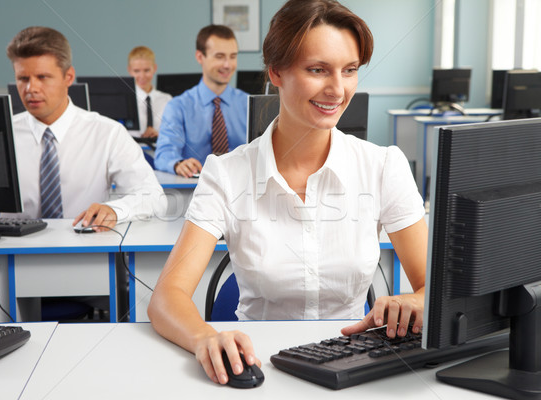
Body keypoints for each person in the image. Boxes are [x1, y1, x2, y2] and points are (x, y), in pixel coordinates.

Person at [148, 0, 428, 386]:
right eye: (318, 70)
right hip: (260, 368)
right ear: (275, 71)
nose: (337, 89)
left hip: (355, 368)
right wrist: (204, 338)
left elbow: (436, 287)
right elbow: (167, 297)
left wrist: (418, 300)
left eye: (349, 71)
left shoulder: (383, 166)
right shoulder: (227, 174)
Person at [4, 26, 167, 231]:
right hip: (13, 253)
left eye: (42, 77)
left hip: (87, 251)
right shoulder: (3, 134)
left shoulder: (107, 133)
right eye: (23, 78)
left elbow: (154, 197)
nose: (31, 89)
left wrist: (116, 210)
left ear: (69, 77)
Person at [154, 25, 248, 178]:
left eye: (233, 56)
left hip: (243, 190)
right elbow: (164, 154)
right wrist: (178, 163)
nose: (227, 65)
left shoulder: (248, 104)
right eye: (219, 56)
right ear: (200, 57)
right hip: (195, 191)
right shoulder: (178, 106)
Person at [127, 46, 172, 139]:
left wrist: (160, 136)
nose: (142, 76)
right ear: (130, 70)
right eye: (136, 71)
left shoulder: (167, 100)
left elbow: (174, 133)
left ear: (154, 68)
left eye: (147, 70)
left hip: (159, 150)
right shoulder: (125, 102)